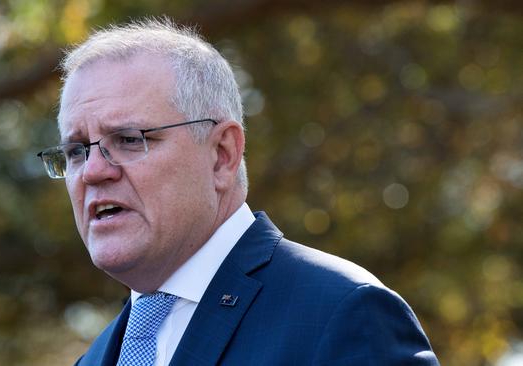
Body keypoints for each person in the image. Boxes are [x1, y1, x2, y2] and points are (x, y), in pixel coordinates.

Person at [37, 17, 439, 366]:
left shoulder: (342, 312)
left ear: (222, 155)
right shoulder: (94, 358)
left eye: (127, 139)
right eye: (75, 151)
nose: (92, 171)